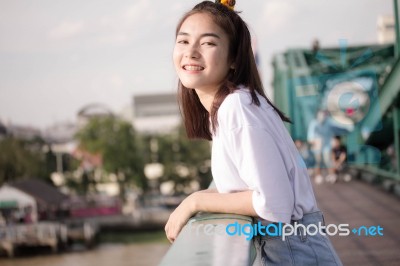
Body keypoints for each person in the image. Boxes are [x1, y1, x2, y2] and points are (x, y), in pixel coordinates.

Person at [165, 1, 342, 265]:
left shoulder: (237, 107)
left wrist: (195, 201)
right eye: (183, 41)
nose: (191, 52)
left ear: (234, 59)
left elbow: (274, 205)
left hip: (292, 251)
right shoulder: (234, 105)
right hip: (291, 246)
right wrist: (193, 200)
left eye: (208, 43)